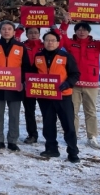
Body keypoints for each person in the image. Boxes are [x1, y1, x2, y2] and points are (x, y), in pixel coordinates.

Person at [59, 13, 100, 150]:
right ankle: (73, 136)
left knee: (90, 111)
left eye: (84, 29)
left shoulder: (96, 45)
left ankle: (92, 137)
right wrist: (65, 23)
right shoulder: (71, 44)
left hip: (91, 84)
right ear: (75, 31)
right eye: (78, 29)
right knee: (73, 111)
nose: (81, 32)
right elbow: (60, 38)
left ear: (88, 32)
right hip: (73, 84)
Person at [32, 30, 80, 163]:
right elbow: (33, 73)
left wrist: (67, 84)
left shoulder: (66, 56)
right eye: (47, 40)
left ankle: (73, 152)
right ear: (44, 42)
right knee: (48, 124)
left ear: (58, 42)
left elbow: (75, 74)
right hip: (45, 96)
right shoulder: (38, 56)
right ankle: (51, 148)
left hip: (63, 96)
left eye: (53, 40)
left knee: (68, 125)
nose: (50, 43)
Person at [0, 20, 31, 152]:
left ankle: (12, 141)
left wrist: (23, 83)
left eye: (9, 29)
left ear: (13, 31)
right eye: (4, 29)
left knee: (14, 115)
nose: (6, 31)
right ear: (0, 31)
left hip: (15, 86)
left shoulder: (20, 47)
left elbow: (26, 67)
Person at [15, 26, 44, 144]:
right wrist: (20, 28)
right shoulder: (21, 46)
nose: (33, 35)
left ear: (39, 34)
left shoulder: (45, 45)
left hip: (43, 83)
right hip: (27, 82)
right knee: (29, 111)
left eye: (36, 32)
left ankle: (49, 136)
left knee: (46, 111)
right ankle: (32, 134)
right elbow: (14, 39)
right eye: (30, 32)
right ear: (26, 34)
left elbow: (60, 42)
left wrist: (56, 28)